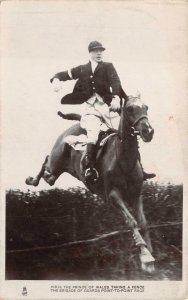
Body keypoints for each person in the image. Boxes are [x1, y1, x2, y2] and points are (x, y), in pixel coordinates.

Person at [50, 41, 155, 182]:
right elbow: (63, 74)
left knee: (127, 133)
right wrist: (56, 80)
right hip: (91, 110)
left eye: (101, 51)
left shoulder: (108, 67)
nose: (99, 53)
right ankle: (89, 169)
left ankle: (140, 168)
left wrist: (117, 99)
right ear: (90, 53)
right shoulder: (81, 69)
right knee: (93, 136)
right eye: (96, 51)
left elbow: (115, 82)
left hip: (109, 108)